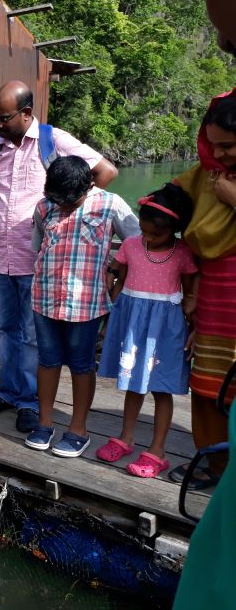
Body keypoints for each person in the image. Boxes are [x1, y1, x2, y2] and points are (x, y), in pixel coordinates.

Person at [0, 80, 118, 435]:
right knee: (4, 328)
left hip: (40, 261)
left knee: (34, 336)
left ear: (27, 113)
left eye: (4, 118)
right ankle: (12, 390)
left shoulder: (55, 142)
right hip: (0, 255)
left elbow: (105, 172)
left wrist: (69, 210)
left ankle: (32, 402)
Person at [25, 156, 139, 457]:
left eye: (69, 200)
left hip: (86, 303)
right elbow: (37, 246)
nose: (61, 205)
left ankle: (78, 429)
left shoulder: (110, 204)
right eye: (56, 198)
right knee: (47, 360)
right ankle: (45, 422)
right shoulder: (43, 207)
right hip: (44, 297)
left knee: (81, 364)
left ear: (88, 186)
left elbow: (137, 243)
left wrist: (117, 275)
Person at [97, 184, 197, 477]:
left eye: (156, 234)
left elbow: (191, 288)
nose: (148, 239)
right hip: (133, 321)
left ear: (174, 229)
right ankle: (126, 437)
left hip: (166, 327)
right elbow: (116, 268)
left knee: (161, 388)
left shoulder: (183, 253)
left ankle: (158, 450)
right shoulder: (131, 245)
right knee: (132, 383)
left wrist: (194, 317)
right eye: (144, 231)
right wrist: (111, 277)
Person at [169, 89, 236, 487]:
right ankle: (214, 464)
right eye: (215, 146)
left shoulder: (223, 184)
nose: (221, 154)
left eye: (229, 146)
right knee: (209, 381)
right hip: (215, 289)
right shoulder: (205, 175)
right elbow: (164, 207)